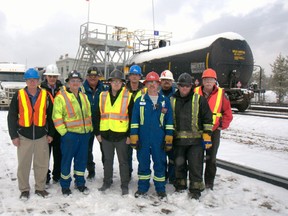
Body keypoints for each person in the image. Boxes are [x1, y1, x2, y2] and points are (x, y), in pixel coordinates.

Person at [7, 68, 55, 200]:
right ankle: (24, 189)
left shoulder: (46, 95)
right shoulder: (19, 95)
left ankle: (40, 188)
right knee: (24, 164)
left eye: (34, 79)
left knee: (42, 164)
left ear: (38, 81)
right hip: (24, 136)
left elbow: (51, 117)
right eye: (29, 80)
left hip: (41, 136)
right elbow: (11, 116)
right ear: (26, 81)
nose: (32, 82)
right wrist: (14, 136)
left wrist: (50, 134)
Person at [130, 71, 174, 199]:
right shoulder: (139, 101)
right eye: (149, 82)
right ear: (146, 84)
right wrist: (134, 135)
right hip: (143, 138)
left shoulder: (165, 101)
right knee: (143, 163)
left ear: (158, 84)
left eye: (155, 82)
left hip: (158, 138)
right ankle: (143, 188)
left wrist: (169, 136)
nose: (152, 85)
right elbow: (134, 120)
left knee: (160, 163)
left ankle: (160, 189)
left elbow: (169, 121)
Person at [171, 73, 213, 199]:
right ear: (178, 86)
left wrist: (207, 134)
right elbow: (168, 120)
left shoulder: (199, 99)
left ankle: (195, 189)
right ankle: (180, 186)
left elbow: (207, 118)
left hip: (195, 142)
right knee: (179, 165)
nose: (184, 88)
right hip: (178, 140)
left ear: (191, 87)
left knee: (195, 166)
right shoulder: (171, 100)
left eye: (187, 86)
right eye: (182, 85)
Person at [52, 70, 93, 196]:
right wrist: (64, 133)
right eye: (72, 81)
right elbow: (56, 117)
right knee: (66, 160)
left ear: (81, 82)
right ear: (68, 83)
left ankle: (80, 183)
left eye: (77, 81)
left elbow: (88, 114)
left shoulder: (84, 96)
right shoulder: (61, 97)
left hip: (84, 135)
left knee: (81, 160)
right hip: (70, 135)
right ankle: (65, 185)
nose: (75, 83)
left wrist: (89, 130)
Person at [95, 69, 133, 196]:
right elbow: (96, 115)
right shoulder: (102, 96)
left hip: (121, 135)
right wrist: (97, 133)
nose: (116, 84)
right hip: (106, 135)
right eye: (114, 81)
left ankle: (124, 185)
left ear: (122, 83)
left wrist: (129, 135)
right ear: (109, 83)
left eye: (119, 81)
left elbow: (132, 117)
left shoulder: (128, 96)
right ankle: (107, 182)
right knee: (107, 160)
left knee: (124, 161)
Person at [194, 68, 233, 190]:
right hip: (198, 130)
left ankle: (209, 183)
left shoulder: (221, 94)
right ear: (202, 81)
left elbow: (228, 112)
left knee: (211, 159)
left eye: (211, 80)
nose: (208, 82)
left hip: (214, 131)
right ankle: (197, 181)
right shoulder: (195, 91)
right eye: (206, 79)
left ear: (215, 81)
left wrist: (223, 124)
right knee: (197, 158)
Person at [81, 65, 106, 181]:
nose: (92, 78)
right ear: (87, 76)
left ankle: (108, 171)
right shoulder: (81, 89)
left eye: (95, 76)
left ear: (98, 77)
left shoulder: (105, 89)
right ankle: (90, 170)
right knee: (87, 150)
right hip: (87, 124)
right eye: (90, 76)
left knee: (105, 149)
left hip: (102, 124)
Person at [40, 64, 63, 185]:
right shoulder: (41, 90)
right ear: (46, 77)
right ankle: (45, 176)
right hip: (46, 128)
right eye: (50, 76)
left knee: (58, 154)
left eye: (54, 76)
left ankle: (57, 175)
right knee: (45, 156)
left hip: (59, 128)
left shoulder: (63, 89)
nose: (52, 79)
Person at [125, 65, 146, 179]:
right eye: (132, 74)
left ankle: (142, 175)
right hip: (126, 126)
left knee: (141, 153)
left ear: (139, 76)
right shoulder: (123, 90)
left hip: (141, 126)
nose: (134, 77)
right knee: (127, 154)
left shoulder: (145, 90)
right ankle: (127, 174)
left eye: (136, 75)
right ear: (129, 76)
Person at [159, 69, 177, 185]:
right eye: (164, 80)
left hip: (173, 130)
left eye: (168, 80)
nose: (166, 82)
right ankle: (162, 176)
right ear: (160, 81)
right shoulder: (155, 94)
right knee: (160, 156)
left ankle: (172, 177)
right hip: (159, 130)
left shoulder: (177, 94)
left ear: (172, 82)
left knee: (173, 156)